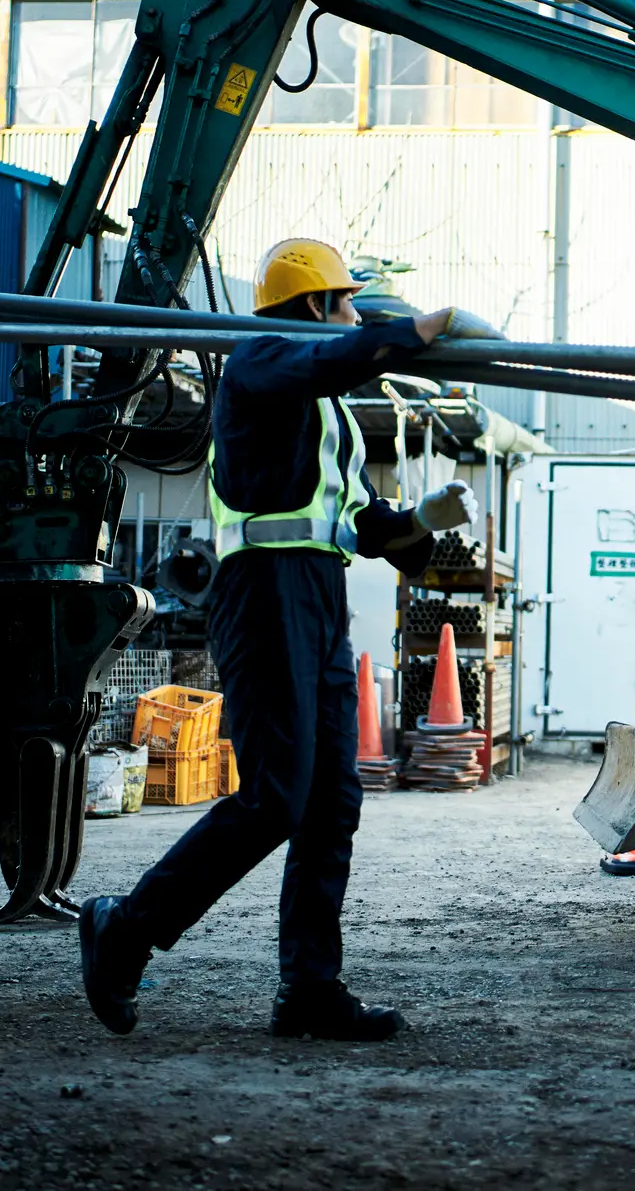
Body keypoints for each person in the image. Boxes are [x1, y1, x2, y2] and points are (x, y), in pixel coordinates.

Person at [79, 237, 503, 1041]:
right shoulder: (260, 363)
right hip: (264, 590)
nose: (354, 318)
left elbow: (369, 528)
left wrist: (424, 522)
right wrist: (416, 329)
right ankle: (125, 929)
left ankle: (309, 988)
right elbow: (331, 361)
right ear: (315, 308)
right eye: (346, 303)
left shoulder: (327, 414)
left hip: (315, 593)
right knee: (275, 795)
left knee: (331, 797)